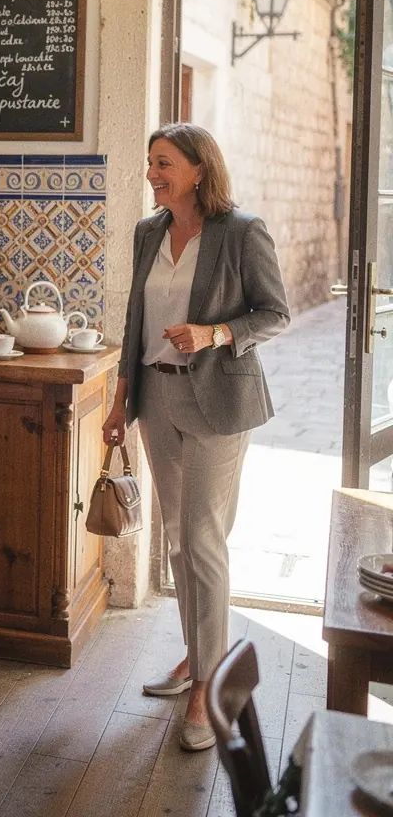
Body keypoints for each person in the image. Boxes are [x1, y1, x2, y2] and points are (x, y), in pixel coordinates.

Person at [102, 122, 289, 753]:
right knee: (178, 541)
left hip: (219, 400)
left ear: (199, 170)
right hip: (158, 397)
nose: (152, 173)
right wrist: (121, 401)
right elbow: (135, 321)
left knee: (204, 542)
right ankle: (194, 657)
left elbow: (275, 313)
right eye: (150, 162)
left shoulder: (240, 231)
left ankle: (210, 689)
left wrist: (213, 334)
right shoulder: (148, 231)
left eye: (164, 163)